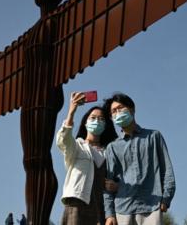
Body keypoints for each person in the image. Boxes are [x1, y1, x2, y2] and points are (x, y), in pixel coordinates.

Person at [103, 93, 176, 225]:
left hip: (152, 206)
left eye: (120, 108)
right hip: (122, 209)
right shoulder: (112, 147)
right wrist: (109, 214)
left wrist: (166, 199)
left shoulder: (154, 136)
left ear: (132, 109)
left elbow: (167, 170)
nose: (117, 112)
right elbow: (108, 184)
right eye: (113, 111)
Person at [56, 92, 118, 225]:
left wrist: (116, 186)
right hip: (77, 204)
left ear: (106, 125)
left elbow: (120, 178)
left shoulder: (110, 151)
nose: (97, 121)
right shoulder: (77, 146)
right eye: (93, 118)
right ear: (85, 123)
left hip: (102, 208)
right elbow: (63, 140)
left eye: (101, 119)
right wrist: (71, 111)